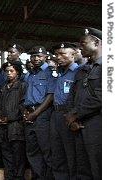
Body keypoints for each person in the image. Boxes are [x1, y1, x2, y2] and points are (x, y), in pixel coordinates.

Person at [66, 27, 102, 180]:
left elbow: (101, 97)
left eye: (83, 43)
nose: (79, 47)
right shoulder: (82, 70)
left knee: (99, 168)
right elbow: (72, 96)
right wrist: (70, 120)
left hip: (98, 125)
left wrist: (75, 114)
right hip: (79, 125)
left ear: (96, 42)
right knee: (83, 168)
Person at [23, 46, 56, 180]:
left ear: (45, 57)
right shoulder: (30, 74)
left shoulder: (50, 72)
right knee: (32, 151)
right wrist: (26, 111)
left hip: (42, 115)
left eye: (39, 56)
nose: (36, 58)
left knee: (46, 150)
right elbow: (26, 95)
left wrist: (35, 113)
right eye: (33, 56)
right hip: (29, 114)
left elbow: (50, 96)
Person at [50, 42, 79, 180]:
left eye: (62, 54)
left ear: (73, 54)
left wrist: (74, 116)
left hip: (69, 115)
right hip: (55, 115)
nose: (58, 57)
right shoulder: (60, 73)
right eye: (56, 54)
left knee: (71, 154)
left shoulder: (79, 72)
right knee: (57, 153)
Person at [0, 61, 27, 180]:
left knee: (18, 156)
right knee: (6, 154)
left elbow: (23, 105)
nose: (8, 73)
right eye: (7, 71)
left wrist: (10, 118)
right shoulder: (3, 87)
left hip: (16, 127)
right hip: (3, 128)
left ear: (17, 73)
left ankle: (18, 178)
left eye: (11, 71)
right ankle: (9, 177)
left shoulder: (23, 86)